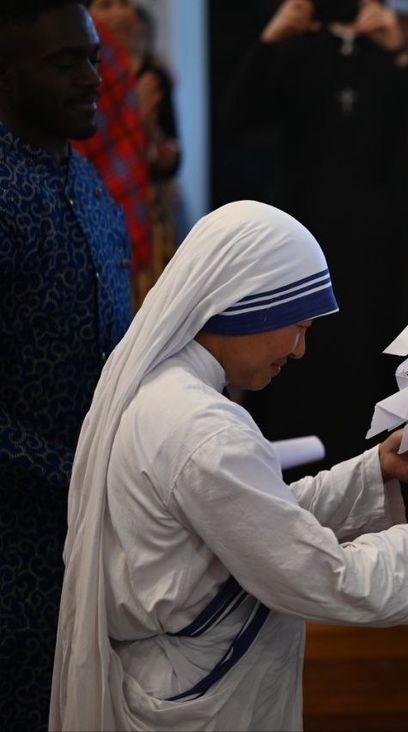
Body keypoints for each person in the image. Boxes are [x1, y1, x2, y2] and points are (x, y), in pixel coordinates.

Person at [48, 199, 408, 730]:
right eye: (298, 326)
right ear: (245, 306)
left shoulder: (168, 393)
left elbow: (259, 520)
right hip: (200, 704)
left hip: (185, 679)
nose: (301, 350)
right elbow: (320, 576)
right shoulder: (202, 430)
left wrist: (375, 470)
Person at [222, 0, 408, 473]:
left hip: (381, 256)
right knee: (305, 368)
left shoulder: (388, 55)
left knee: (382, 367)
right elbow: (236, 117)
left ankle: (385, 485)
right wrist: (270, 40)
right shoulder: (297, 51)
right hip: (305, 251)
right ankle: (304, 490)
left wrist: (401, 51)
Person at [0, 1, 133, 728]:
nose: (92, 78)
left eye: (94, 59)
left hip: (89, 545)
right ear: (7, 74)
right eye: (64, 63)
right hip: (15, 553)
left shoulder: (87, 184)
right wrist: (77, 478)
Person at [70, 4, 153, 305]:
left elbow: (159, 154)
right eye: (106, 5)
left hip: (140, 208)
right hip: (96, 208)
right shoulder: (90, 51)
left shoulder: (150, 72)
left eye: (125, 3)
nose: (119, 14)